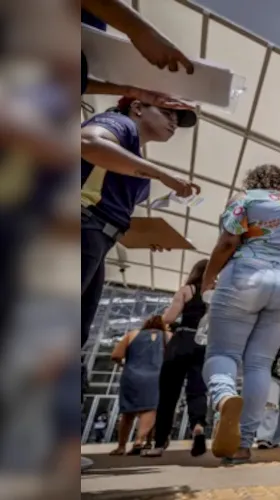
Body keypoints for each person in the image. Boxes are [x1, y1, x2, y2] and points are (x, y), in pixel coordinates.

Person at [200, 164, 280, 465]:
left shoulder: (246, 199)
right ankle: (244, 443)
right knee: (260, 364)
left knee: (222, 353)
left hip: (245, 278)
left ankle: (225, 397)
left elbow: (227, 242)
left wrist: (208, 278)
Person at [81, 97, 199, 349]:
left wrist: (147, 235)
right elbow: (88, 141)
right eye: (168, 113)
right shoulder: (120, 124)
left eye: (176, 119)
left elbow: (109, 208)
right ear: (137, 107)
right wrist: (161, 174)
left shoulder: (131, 155)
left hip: (99, 237)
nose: (173, 123)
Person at [143, 260, 210, 458]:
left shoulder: (186, 290)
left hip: (181, 340)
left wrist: (164, 316)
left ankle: (159, 442)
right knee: (198, 389)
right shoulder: (218, 293)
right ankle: (198, 426)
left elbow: (169, 318)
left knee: (168, 394)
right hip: (203, 343)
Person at [109, 315, 171, 455]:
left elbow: (116, 355)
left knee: (127, 413)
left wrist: (124, 364)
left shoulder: (132, 334)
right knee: (150, 409)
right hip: (156, 376)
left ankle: (121, 446)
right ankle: (139, 440)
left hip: (131, 375)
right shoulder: (168, 336)